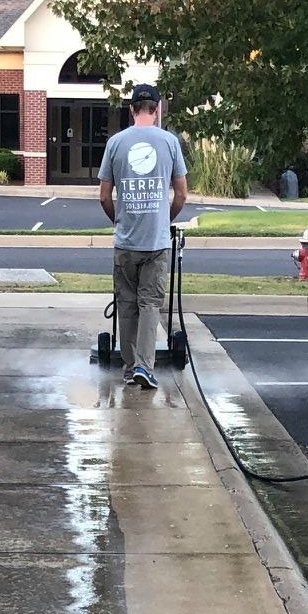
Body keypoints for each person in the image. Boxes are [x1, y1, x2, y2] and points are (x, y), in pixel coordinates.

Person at [97, 85, 188, 391]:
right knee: (150, 303)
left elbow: (104, 196)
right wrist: (165, 220)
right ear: (157, 108)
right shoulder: (169, 142)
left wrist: (120, 220)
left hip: (125, 241)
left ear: (131, 109)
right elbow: (182, 193)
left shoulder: (115, 143)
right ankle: (144, 367)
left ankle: (128, 365)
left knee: (126, 303)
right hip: (156, 243)